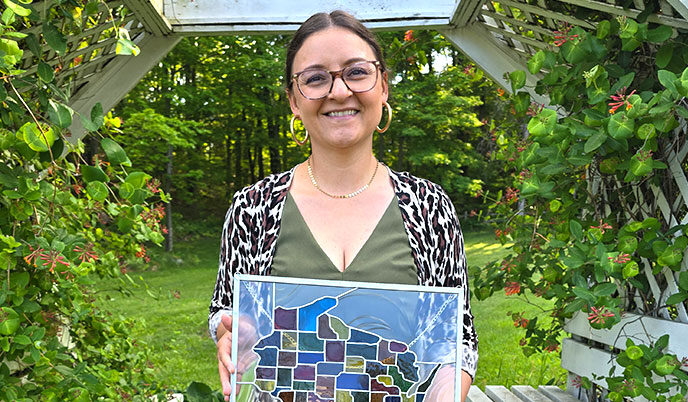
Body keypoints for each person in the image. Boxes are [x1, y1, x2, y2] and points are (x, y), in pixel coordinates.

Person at [209, 10, 478, 402]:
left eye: (356, 72)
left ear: (383, 86)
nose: (338, 92)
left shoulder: (429, 206)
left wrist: (444, 390)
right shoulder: (253, 206)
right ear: (293, 100)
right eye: (315, 78)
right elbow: (224, 310)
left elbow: (457, 339)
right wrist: (231, 331)